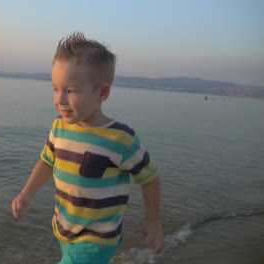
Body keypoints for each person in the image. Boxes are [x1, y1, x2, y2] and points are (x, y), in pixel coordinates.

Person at [11, 32, 164, 264]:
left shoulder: (120, 139)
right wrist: (26, 193)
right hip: (65, 229)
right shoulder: (59, 127)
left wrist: (153, 221)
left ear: (102, 93)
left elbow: (150, 178)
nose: (59, 99)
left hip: (98, 239)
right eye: (55, 89)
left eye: (70, 91)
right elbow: (46, 162)